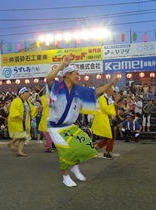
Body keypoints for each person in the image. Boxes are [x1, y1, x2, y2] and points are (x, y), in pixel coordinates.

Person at [46, 55, 119, 187]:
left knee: (86, 147)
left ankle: (73, 165)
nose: (78, 76)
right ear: (67, 75)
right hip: (54, 126)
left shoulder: (78, 90)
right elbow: (49, 78)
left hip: (69, 126)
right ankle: (65, 176)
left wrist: (111, 83)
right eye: (76, 74)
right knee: (65, 151)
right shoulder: (57, 86)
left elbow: (96, 91)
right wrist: (62, 64)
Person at [7, 87, 41, 157]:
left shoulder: (28, 102)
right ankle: (11, 143)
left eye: (29, 93)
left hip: (25, 121)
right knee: (21, 134)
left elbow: (32, 111)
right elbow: (13, 110)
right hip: (17, 121)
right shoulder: (16, 101)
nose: (29, 94)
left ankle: (19, 151)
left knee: (24, 136)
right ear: (22, 94)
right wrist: (18, 116)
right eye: (27, 93)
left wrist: (37, 109)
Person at [91, 86, 121, 160]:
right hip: (104, 119)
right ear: (107, 91)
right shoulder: (102, 98)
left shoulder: (108, 98)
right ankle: (107, 152)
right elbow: (105, 109)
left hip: (107, 120)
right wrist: (115, 103)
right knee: (110, 137)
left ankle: (96, 147)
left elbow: (110, 107)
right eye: (112, 91)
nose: (113, 92)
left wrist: (115, 105)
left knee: (109, 137)